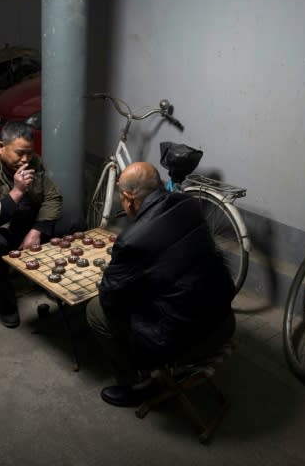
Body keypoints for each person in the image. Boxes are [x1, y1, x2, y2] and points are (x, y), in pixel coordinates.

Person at [86, 161, 236, 407]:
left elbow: (110, 298)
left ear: (128, 197)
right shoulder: (188, 205)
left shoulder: (132, 240)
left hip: (190, 341)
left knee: (96, 310)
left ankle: (136, 383)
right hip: (223, 319)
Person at [0, 121, 62, 328]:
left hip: (26, 224)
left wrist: (37, 230)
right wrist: (16, 191)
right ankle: (6, 297)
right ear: (1, 147)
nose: (25, 159)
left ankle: (48, 280)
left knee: (72, 222)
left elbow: (53, 198)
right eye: (19, 153)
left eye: (29, 153)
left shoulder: (32, 162)